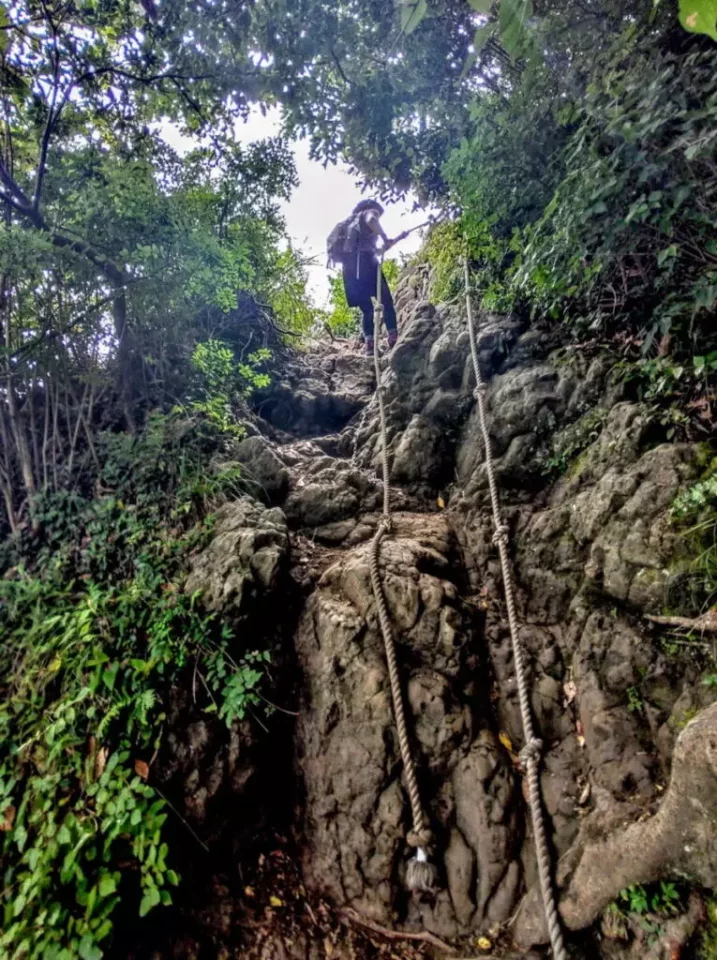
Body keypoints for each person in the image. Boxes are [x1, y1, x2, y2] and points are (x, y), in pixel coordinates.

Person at [341, 199, 398, 356]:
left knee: (366, 309)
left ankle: (369, 345)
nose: (378, 217)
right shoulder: (368, 213)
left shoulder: (351, 226)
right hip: (366, 263)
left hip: (349, 271)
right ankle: (393, 336)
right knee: (386, 300)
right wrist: (385, 237)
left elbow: (377, 251)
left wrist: (390, 243)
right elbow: (372, 220)